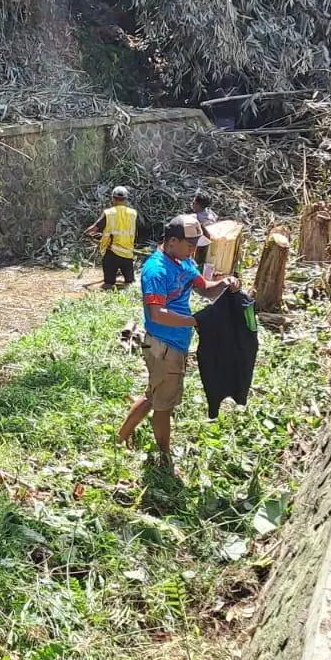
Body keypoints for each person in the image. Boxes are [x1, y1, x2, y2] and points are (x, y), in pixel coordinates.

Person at [116, 215, 239, 465]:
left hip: (174, 344)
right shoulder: (156, 271)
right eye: (190, 245)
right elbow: (156, 313)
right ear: (172, 241)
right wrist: (196, 321)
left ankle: (121, 438)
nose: (194, 251)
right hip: (163, 346)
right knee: (163, 406)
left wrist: (224, 284)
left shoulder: (184, 261)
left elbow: (203, 287)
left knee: (154, 395)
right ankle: (164, 456)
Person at [85, 186, 139, 289]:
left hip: (111, 254)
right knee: (130, 284)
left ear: (113, 199)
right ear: (126, 199)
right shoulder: (133, 214)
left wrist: (85, 233)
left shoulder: (109, 213)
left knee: (108, 285)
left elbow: (95, 228)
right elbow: (135, 233)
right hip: (128, 254)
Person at [192, 191, 219, 268]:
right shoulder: (211, 214)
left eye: (194, 202)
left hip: (203, 246)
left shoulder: (196, 218)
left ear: (196, 204)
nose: (192, 203)